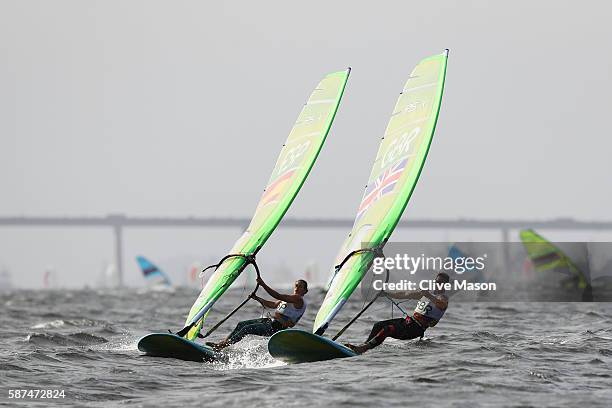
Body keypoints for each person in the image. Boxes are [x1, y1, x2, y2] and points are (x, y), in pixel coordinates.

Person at [346, 272, 450, 354]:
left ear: (445, 285)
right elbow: (405, 294)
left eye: (441, 283)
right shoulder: (427, 293)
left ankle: (363, 348)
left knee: (388, 329)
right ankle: (363, 347)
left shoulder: (443, 298)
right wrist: (387, 293)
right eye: (436, 282)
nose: (437, 284)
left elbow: (441, 305)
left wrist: (428, 296)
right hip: (408, 322)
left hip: (416, 329)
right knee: (378, 325)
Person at [206, 277, 308, 350]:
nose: (297, 288)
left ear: (305, 291)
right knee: (241, 324)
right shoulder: (289, 299)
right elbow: (272, 304)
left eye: (300, 287)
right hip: (269, 322)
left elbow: (278, 295)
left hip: (275, 328)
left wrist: (263, 284)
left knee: (246, 329)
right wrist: (257, 298)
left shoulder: (298, 299)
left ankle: (222, 346)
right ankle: (222, 345)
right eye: (296, 286)